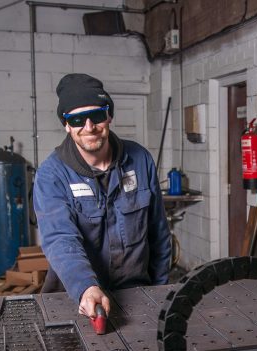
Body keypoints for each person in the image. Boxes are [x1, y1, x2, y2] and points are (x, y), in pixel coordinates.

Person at [33, 73, 171, 320]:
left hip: (137, 293)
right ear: (66, 124)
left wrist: (159, 291)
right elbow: (60, 239)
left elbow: (158, 233)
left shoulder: (140, 159)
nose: (89, 128)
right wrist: (86, 287)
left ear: (109, 116)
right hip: (77, 298)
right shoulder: (52, 174)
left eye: (96, 116)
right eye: (76, 119)